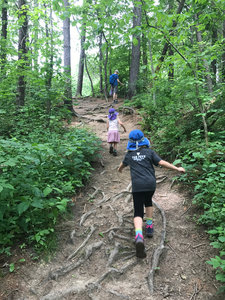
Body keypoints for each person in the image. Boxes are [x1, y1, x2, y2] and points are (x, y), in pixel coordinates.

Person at [118, 129, 185, 258]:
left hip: (137, 186)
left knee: (138, 211)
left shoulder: (129, 155)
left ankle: (139, 236)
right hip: (150, 184)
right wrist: (177, 168)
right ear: (144, 140)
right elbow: (162, 162)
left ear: (130, 143)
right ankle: (149, 226)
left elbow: (121, 166)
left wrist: (119, 169)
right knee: (148, 202)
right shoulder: (149, 152)